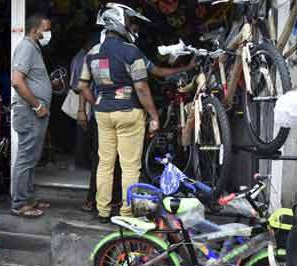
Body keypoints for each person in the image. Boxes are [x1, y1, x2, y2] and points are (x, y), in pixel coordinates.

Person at [79, 4, 195, 221]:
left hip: (103, 113)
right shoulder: (131, 51)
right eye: (131, 22)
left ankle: (102, 211)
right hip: (129, 112)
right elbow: (142, 87)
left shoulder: (92, 53)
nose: (134, 28)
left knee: (105, 163)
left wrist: (98, 103)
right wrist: (153, 115)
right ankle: (126, 211)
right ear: (120, 22)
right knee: (130, 166)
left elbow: (82, 85)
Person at [70, 32, 124, 215]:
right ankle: (96, 200)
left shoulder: (99, 58)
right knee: (104, 161)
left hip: (103, 114)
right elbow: (82, 86)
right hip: (104, 115)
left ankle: (102, 202)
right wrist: (85, 109)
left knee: (104, 161)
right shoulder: (95, 58)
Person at [11, 13, 53, 218]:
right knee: (26, 158)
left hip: (33, 112)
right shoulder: (27, 47)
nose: (48, 34)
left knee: (31, 157)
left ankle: (28, 198)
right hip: (30, 112)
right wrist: (37, 105)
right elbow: (17, 80)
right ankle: (19, 203)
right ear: (35, 29)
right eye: (46, 29)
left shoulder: (33, 48)